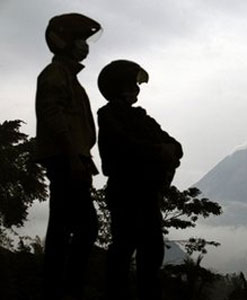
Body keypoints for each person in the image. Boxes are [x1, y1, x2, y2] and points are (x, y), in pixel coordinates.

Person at [97, 60, 183, 300]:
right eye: (132, 84)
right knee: (123, 247)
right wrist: (159, 151)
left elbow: (175, 145)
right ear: (119, 85)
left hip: (146, 192)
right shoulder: (108, 114)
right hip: (125, 189)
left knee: (152, 250)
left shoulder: (143, 118)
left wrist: (166, 150)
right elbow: (125, 144)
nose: (136, 89)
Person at [35, 13, 102, 300]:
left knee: (64, 225)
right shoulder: (56, 74)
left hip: (74, 158)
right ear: (65, 42)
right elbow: (53, 115)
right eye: (80, 40)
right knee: (82, 226)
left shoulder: (70, 77)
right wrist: (72, 154)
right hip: (66, 159)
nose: (84, 46)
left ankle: (58, 285)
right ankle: (65, 286)